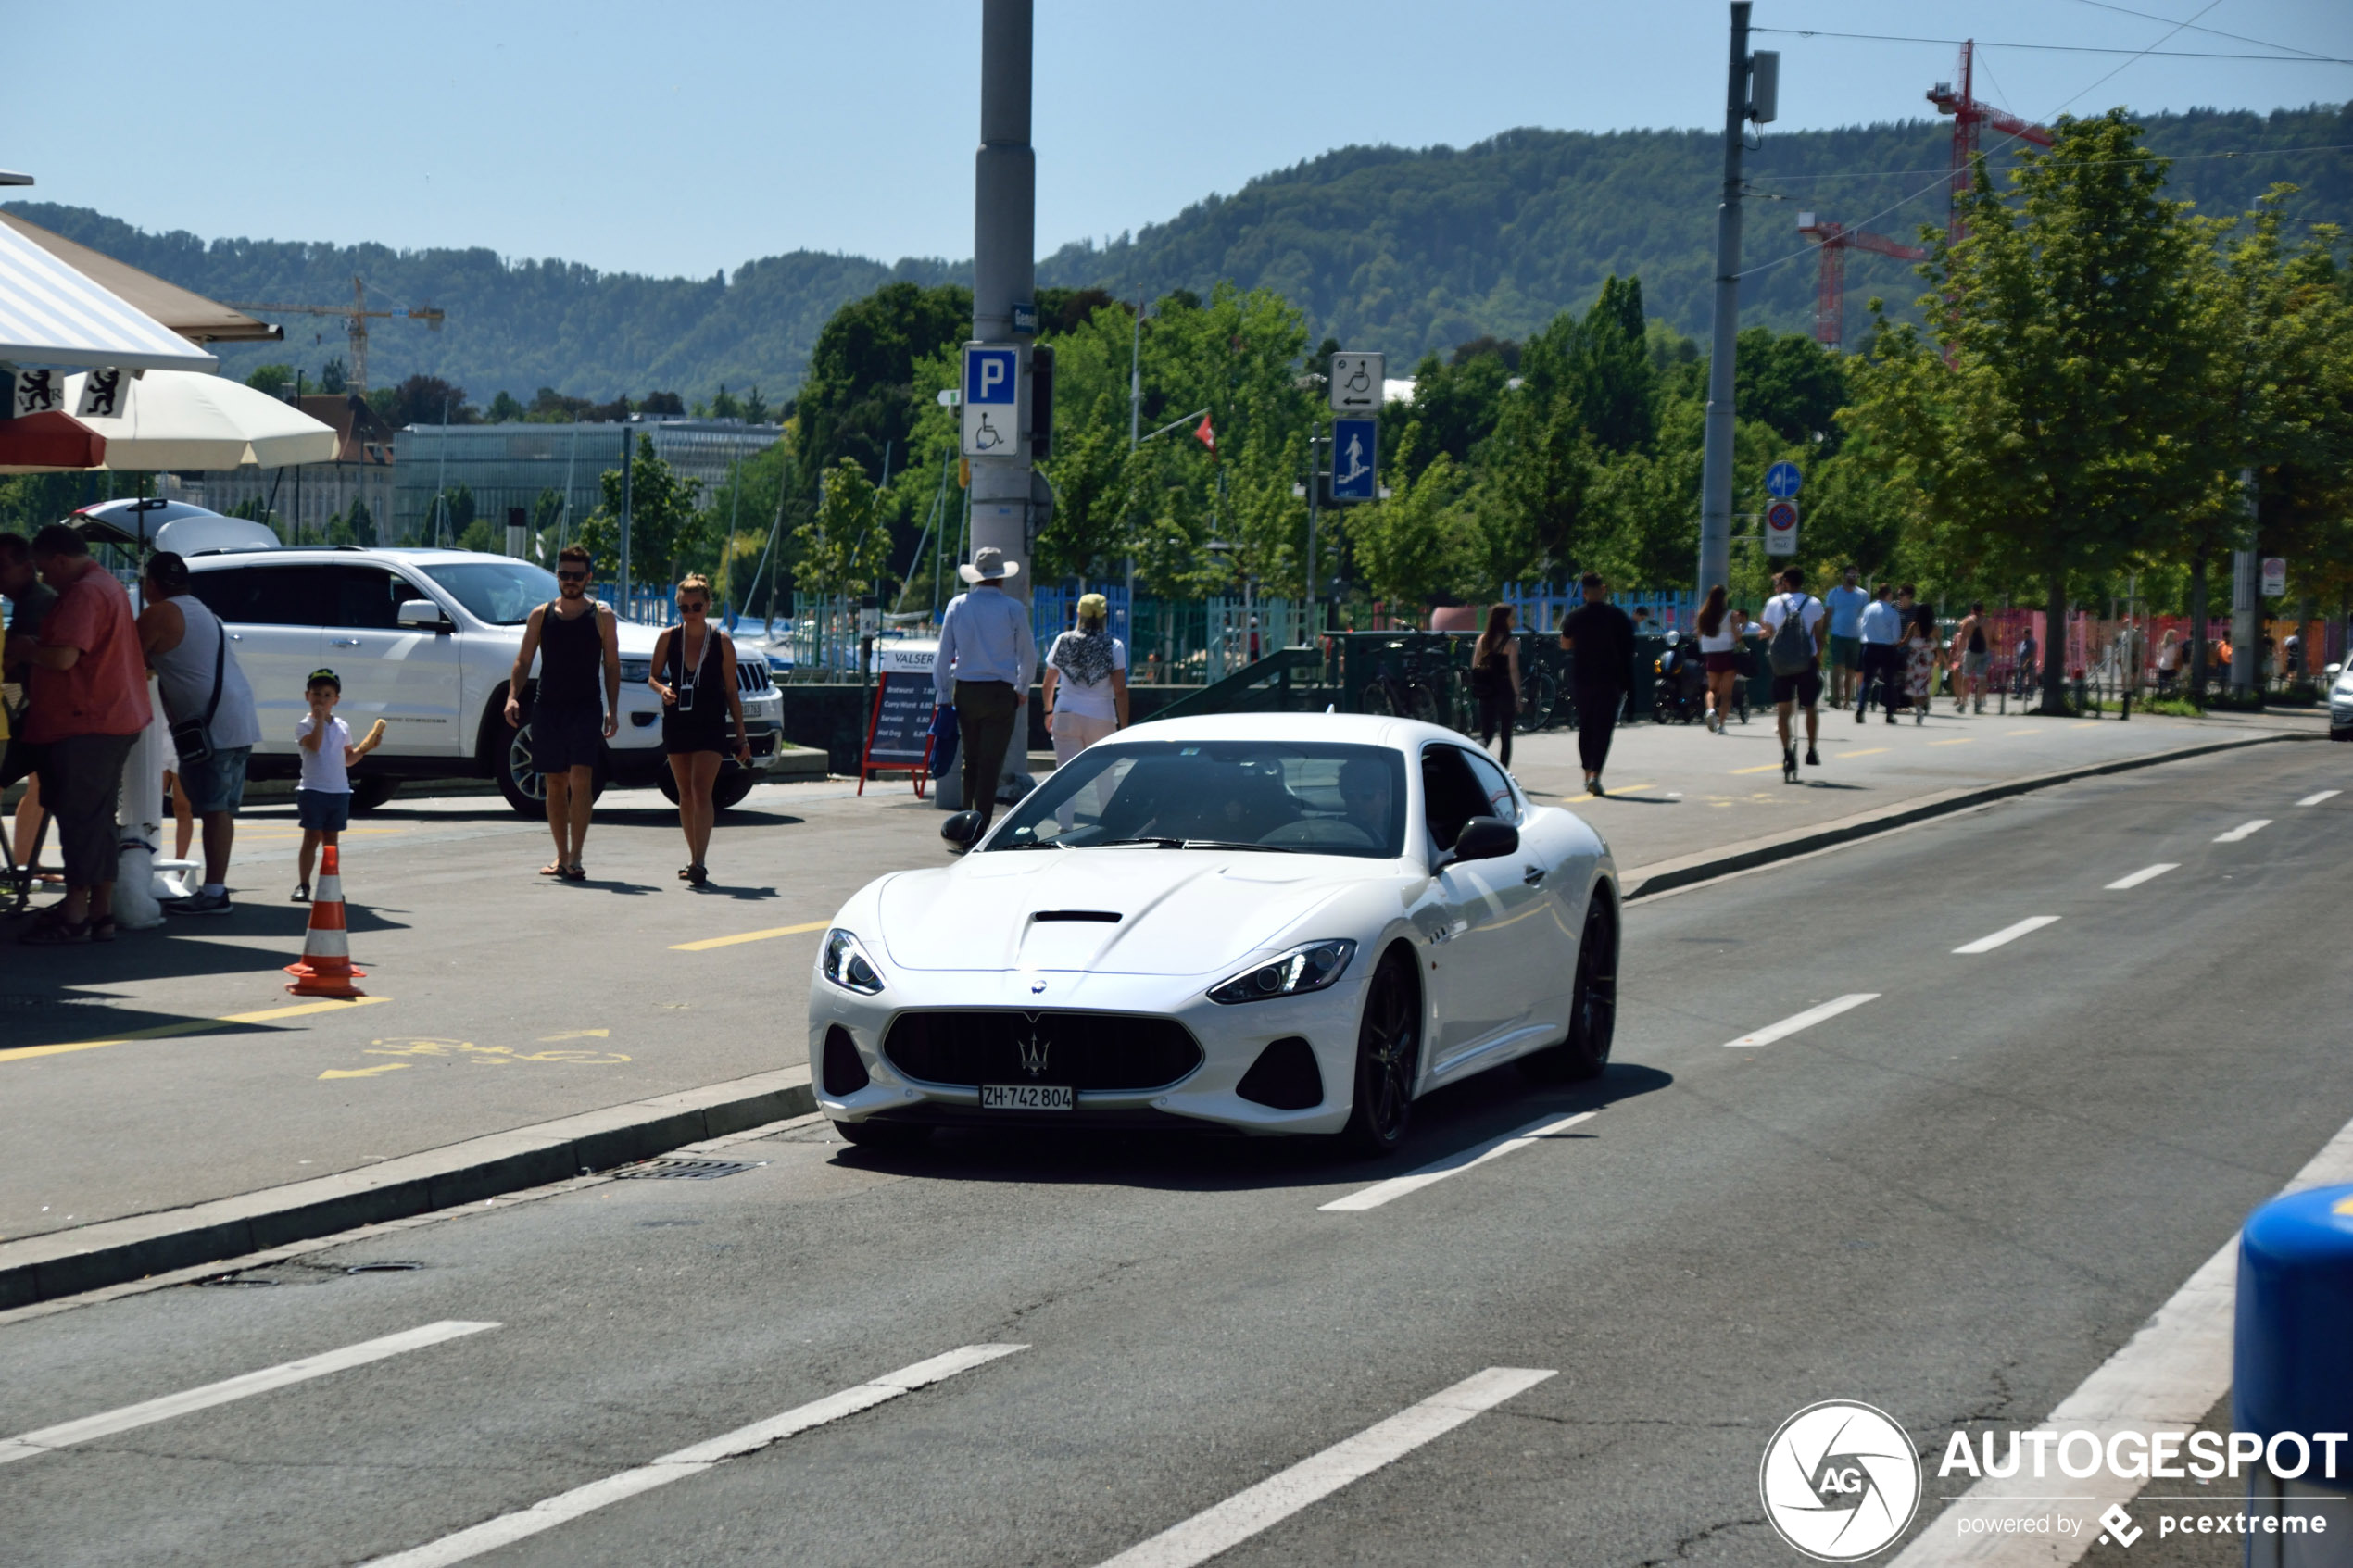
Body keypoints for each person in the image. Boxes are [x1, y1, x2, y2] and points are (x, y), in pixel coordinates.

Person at [18, 525, 151, 944]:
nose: (42, 579)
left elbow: (63, 657)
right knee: (96, 818)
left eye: (43, 569)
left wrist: (26, 649)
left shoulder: (83, 593)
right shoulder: (104, 585)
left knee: (81, 819)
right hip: (109, 719)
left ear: (59, 560)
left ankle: (76, 912)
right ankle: (99, 911)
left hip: (87, 721)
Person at [137, 550, 262, 915]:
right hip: (237, 719)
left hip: (213, 727)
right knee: (220, 810)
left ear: (151, 584)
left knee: (212, 809)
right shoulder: (200, 609)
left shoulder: (159, 613)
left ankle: (214, 893)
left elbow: (125, 656)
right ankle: (215, 888)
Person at [507, 544, 619, 881]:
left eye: (577, 575)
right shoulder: (541, 616)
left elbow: (611, 665)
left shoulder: (602, 615)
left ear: (588, 577)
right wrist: (512, 697)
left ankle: (576, 856)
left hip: (586, 706)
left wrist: (613, 710)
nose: (570, 581)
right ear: (557, 576)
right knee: (554, 782)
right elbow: (523, 660)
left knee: (581, 779)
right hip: (548, 707)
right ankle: (560, 856)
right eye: (565, 574)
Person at [648, 573, 751, 886]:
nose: (690, 613)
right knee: (685, 793)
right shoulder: (669, 637)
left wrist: (741, 736)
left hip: (710, 721)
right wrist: (662, 689)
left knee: (701, 788)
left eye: (696, 606)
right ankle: (693, 857)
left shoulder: (721, 642)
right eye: (683, 608)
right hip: (678, 719)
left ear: (708, 606)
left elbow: (732, 692)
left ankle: (700, 861)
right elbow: (653, 677)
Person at [933, 544, 1036, 840]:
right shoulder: (1013, 609)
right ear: (1001, 578)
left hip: (965, 690)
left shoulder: (958, 605)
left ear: (976, 577)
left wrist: (943, 695)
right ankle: (981, 826)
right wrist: (1022, 687)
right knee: (991, 764)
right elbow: (1027, 654)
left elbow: (943, 655)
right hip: (1001, 692)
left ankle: (964, 818)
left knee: (971, 761)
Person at [293, 670, 385, 900]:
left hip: (338, 791)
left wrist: (365, 749)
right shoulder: (304, 725)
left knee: (331, 841)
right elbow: (314, 746)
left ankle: (330, 884)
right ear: (307, 696)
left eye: (327, 695)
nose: (321, 700)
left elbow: (347, 759)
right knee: (311, 838)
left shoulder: (343, 726)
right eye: (316, 694)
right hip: (313, 790)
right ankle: (303, 884)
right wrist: (320, 721)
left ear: (336, 700)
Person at [0, 532, 55, 887]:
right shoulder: (30, 600)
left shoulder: (35, 603)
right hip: (36, 715)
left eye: (2, 567)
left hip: (37, 716)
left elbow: (13, 665)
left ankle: (22, 864)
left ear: (28, 565)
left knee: (39, 787)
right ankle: (22, 864)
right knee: (39, 788)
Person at [1557, 572, 1633, 796]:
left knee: (1586, 727)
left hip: (1583, 678)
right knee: (1604, 729)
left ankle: (1586, 773)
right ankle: (1596, 775)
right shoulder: (1618, 616)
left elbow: (1565, 643)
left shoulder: (1576, 616)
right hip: (1610, 679)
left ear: (1584, 592)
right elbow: (1628, 648)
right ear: (1603, 588)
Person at [1041, 592, 1128, 769]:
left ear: (1079, 614)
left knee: (1066, 775)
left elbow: (1048, 684)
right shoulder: (1114, 646)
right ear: (1105, 616)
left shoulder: (1062, 641)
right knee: (1104, 776)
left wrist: (1048, 712)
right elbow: (1120, 691)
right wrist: (1125, 727)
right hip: (1101, 716)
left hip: (1065, 712)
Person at [1761, 567, 1826, 780]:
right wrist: (1817, 659)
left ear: (1786, 582)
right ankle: (1811, 750)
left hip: (1781, 664)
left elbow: (1769, 632)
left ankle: (1787, 753)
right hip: (1806, 663)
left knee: (1783, 711)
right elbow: (1819, 637)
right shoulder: (1815, 604)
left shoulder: (1774, 602)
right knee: (1810, 708)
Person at [1468, 603, 1522, 766]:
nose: (1514, 621)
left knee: (1487, 733)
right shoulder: (1511, 643)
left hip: (1486, 691)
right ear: (1503, 620)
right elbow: (1513, 670)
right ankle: (1504, 771)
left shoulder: (1482, 640)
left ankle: (1476, 761)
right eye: (1512, 617)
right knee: (1506, 734)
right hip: (1505, 690)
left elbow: (1474, 665)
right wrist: (1518, 695)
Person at [1856, 583, 1904, 725]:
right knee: (1889, 682)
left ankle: (1861, 709)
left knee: (1867, 680)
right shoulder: (1892, 613)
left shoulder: (1868, 609)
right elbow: (1896, 637)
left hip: (1869, 646)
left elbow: (1860, 626)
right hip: (1886, 649)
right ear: (1888, 595)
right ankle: (1889, 714)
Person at [1695, 584, 1741, 734]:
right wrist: (1734, 626)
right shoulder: (1731, 615)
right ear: (1723, 598)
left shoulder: (1703, 614)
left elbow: (1699, 636)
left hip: (1711, 655)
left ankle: (1709, 710)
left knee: (1712, 689)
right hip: (1727, 654)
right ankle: (1721, 725)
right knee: (1727, 693)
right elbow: (1737, 636)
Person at [1824, 565, 1870, 710]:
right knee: (1836, 668)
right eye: (1851, 575)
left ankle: (1847, 701)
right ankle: (1835, 698)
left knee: (1850, 671)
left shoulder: (1863, 595)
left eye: (1856, 576)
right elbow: (1828, 613)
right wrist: (1824, 632)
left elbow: (1866, 615)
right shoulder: (1834, 593)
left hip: (1855, 637)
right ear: (1845, 576)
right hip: (1837, 635)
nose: (1854, 578)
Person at [1903, 604, 1938, 725]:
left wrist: (1893, 645)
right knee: (1924, 688)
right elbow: (1938, 648)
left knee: (1914, 688)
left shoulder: (1914, 626)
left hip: (1914, 661)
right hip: (1927, 662)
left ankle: (1918, 709)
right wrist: (1945, 661)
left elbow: (1904, 641)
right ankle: (1921, 706)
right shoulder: (1935, 629)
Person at [1952, 603, 1988, 714]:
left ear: (1972, 610)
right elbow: (1993, 638)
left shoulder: (1968, 622)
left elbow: (1962, 639)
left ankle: (1963, 703)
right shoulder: (1988, 622)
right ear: (1983, 610)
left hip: (1970, 652)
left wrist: (1960, 652)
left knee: (1966, 677)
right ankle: (1978, 704)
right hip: (1984, 652)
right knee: (1981, 678)